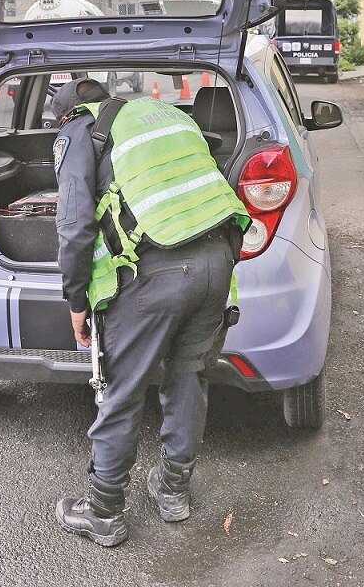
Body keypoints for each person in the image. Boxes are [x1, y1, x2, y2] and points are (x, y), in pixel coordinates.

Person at [50, 77, 250, 547]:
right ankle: (173, 492)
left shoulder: (81, 129)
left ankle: (102, 512)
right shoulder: (167, 115)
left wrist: (76, 299)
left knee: (121, 390)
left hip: (156, 275)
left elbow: (74, 222)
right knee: (188, 376)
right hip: (217, 263)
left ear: (68, 114)